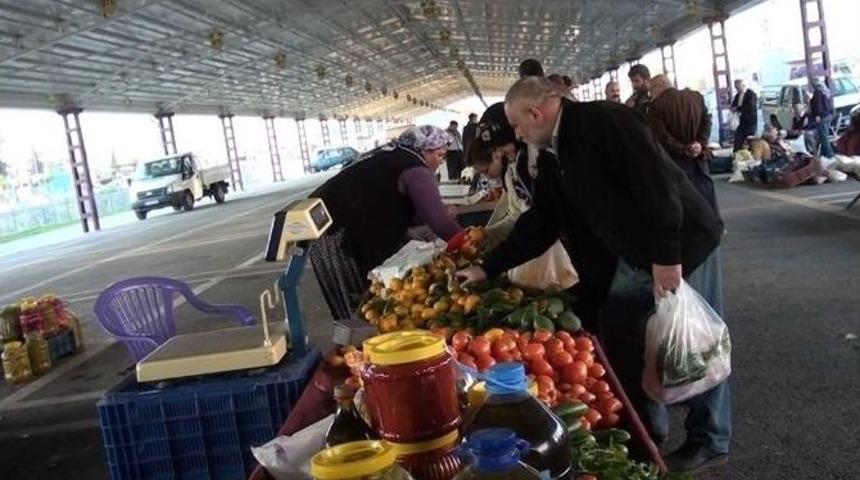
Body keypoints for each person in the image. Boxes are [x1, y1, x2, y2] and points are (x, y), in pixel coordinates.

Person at [456, 76, 729, 473]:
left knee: (694, 343)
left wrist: (667, 258)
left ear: (536, 112)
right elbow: (543, 220)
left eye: (516, 124)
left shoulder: (604, 121)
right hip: (636, 253)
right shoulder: (552, 153)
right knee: (624, 337)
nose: (515, 133)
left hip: (682, 243)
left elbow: (658, 186)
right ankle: (648, 432)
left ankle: (711, 437)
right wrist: (487, 267)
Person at [309, 125, 462, 320]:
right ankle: (364, 344)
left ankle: (362, 340)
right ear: (425, 150)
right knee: (364, 301)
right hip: (338, 234)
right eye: (440, 155)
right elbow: (440, 223)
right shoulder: (415, 168)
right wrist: (471, 243)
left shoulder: (396, 155)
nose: (441, 163)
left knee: (369, 301)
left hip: (336, 226)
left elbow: (392, 206)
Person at [647, 74, 718, 211]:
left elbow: (662, 136)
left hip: (676, 159)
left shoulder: (657, 106)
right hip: (700, 155)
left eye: (652, 89)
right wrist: (699, 144)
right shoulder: (696, 96)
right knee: (706, 190)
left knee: (685, 197)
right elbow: (707, 121)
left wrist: (685, 149)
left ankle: (696, 229)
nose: (651, 94)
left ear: (661, 85)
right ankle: (715, 226)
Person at [809, 79, 835, 158]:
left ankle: (829, 155)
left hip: (822, 117)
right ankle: (824, 153)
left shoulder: (817, 92)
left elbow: (818, 105)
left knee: (824, 137)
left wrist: (817, 115)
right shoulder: (824, 91)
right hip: (828, 115)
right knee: (824, 136)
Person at [730, 79, 758, 151]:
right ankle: (736, 156)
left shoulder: (751, 94)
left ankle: (752, 158)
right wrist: (733, 108)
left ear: (743, 85)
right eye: (736, 88)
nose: (737, 89)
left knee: (751, 143)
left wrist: (738, 108)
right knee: (737, 142)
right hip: (740, 123)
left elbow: (750, 107)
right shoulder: (737, 95)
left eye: (738, 87)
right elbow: (733, 105)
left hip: (750, 123)